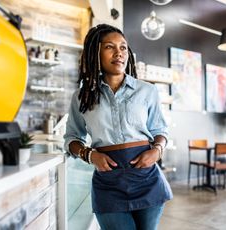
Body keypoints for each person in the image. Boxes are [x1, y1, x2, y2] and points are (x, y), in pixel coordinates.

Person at [64, 23, 173, 230]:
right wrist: (89, 155)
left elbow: (160, 130)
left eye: (123, 47)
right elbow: (71, 138)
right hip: (108, 184)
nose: (119, 53)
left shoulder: (147, 91)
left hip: (147, 179)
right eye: (109, 47)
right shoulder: (81, 97)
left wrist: (157, 151)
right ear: (95, 53)